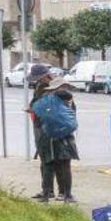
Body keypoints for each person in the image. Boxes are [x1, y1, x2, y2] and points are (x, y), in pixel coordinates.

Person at [30, 73, 79, 203]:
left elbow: (37, 117)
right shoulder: (69, 100)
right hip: (65, 137)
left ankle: (47, 194)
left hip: (47, 136)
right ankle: (66, 195)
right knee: (64, 166)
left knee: (48, 165)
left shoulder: (45, 100)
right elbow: (73, 118)